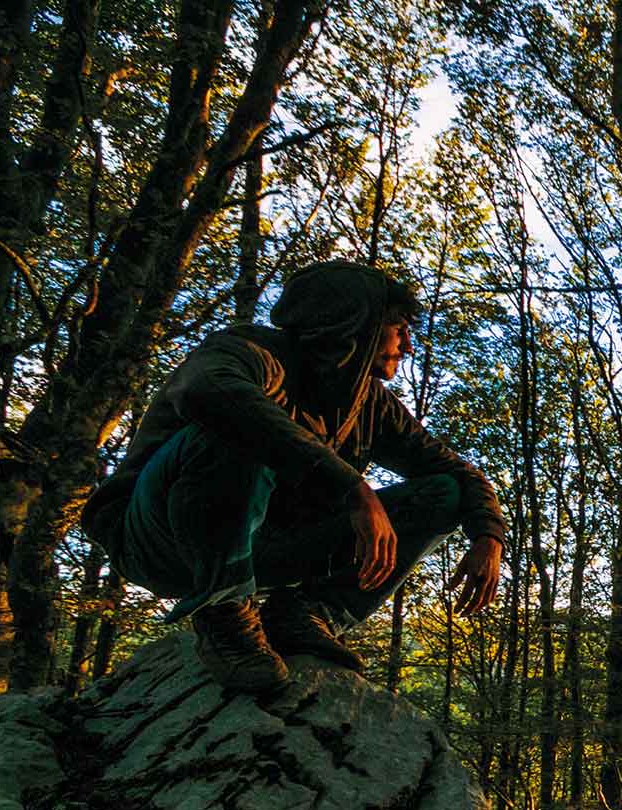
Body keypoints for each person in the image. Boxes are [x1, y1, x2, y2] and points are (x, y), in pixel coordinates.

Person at [80, 259, 506, 693]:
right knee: (238, 425)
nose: (408, 346)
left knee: (444, 494)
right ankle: (224, 610)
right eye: (399, 328)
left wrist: (488, 536)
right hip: (156, 535)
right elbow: (203, 391)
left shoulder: (371, 405)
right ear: (355, 321)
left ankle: (309, 612)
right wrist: (351, 487)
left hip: (267, 544)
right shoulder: (250, 352)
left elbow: (455, 472)